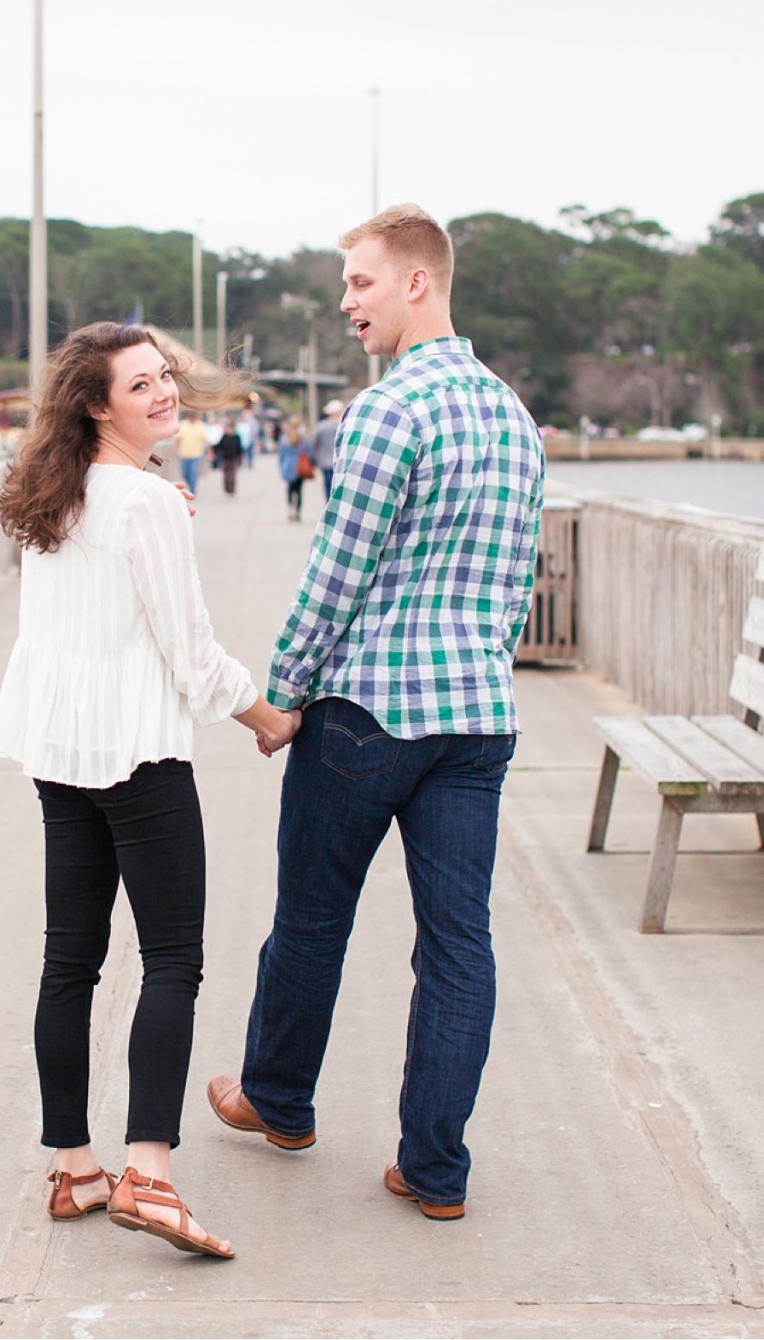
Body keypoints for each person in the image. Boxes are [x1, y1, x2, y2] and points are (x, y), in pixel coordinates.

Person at [204, 203, 544, 1224]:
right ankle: (435, 1170)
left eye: (358, 282)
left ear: (416, 283)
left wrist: (283, 696)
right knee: (458, 947)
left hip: (367, 716)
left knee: (311, 919)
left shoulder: (387, 412)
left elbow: (335, 576)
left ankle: (278, 1099)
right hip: (475, 718)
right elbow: (515, 580)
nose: (346, 301)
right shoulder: (513, 419)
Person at [0, 322, 302, 1261]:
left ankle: (75, 1167)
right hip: (138, 757)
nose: (166, 393)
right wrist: (267, 717)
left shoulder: (56, 492)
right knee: (172, 959)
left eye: (166, 376)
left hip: (60, 752)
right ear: (97, 405)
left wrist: (155, 503)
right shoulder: (148, 503)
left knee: (69, 960)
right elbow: (191, 653)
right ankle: (151, 1176)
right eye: (142, 385)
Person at [310, 398, 343, 500]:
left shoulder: (320, 426)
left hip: (325, 462)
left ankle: (328, 505)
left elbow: (315, 444)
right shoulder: (344, 425)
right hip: (341, 462)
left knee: (328, 487)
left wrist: (315, 460)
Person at [278, 420, 310, 522]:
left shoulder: (284, 439)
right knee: (299, 490)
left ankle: (291, 509)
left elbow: (281, 455)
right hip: (299, 467)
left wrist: (281, 467)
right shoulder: (303, 439)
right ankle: (298, 511)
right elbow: (309, 453)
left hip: (288, 466)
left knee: (290, 490)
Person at [174, 411, 205, 496]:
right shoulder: (183, 424)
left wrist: (210, 451)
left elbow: (204, 439)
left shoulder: (200, 425)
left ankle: (192, 490)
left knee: (193, 473)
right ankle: (190, 485)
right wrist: (175, 450)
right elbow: (178, 439)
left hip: (196, 454)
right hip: (184, 454)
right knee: (185, 473)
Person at [212, 418, 243, 496]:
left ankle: (232, 490)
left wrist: (240, 459)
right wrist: (213, 450)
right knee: (226, 475)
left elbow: (239, 449)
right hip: (225, 458)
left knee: (231, 475)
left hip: (233, 458)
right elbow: (219, 446)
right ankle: (227, 490)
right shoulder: (224, 437)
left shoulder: (236, 437)